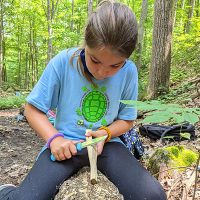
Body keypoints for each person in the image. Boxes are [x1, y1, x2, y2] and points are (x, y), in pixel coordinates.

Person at [0, 1, 167, 199]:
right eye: (95, 60)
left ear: (126, 59)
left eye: (115, 66)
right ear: (85, 44)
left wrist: (106, 133)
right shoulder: (63, 63)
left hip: (107, 146)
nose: (102, 72)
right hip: (65, 146)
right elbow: (32, 109)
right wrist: (55, 139)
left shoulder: (129, 71)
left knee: (154, 196)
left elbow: (127, 120)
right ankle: (7, 191)